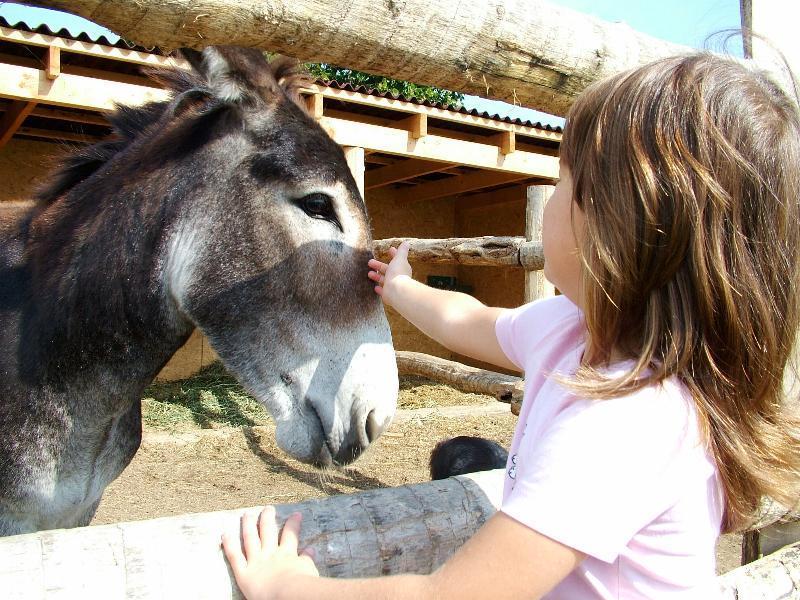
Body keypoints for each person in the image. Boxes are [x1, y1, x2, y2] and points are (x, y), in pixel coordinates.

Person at [221, 51, 800, 599]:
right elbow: (468, 320)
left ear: (617, 226)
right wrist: (399, 288)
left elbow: (450, 596)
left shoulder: (627, 422)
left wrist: (287, 587)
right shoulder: (569, 329)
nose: (549, 198)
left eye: (563, 180)